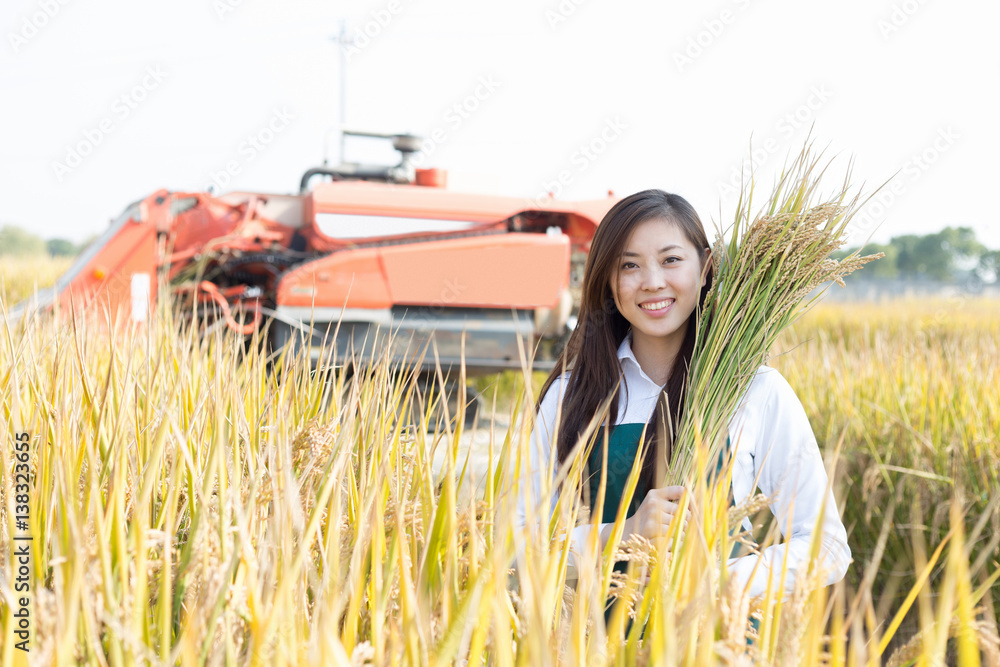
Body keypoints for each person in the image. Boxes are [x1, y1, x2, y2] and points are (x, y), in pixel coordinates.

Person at [513, 188, 852, 603]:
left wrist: (723, 582)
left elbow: (828, 548)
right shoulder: (571, 395)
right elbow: (516, 541)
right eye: (629, 266)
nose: (653, 282)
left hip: (721, 641)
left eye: (671, 260)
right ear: (608, 280)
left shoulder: (755, 390)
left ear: (706, 266)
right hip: (600, 643)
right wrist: (621, 534)